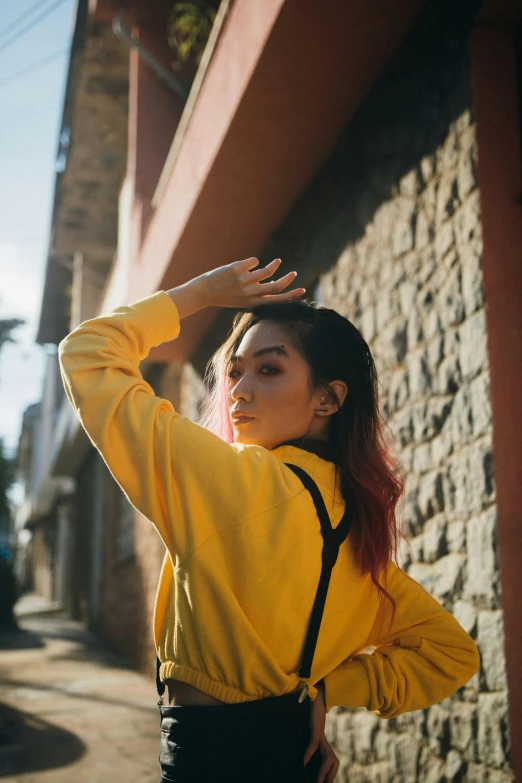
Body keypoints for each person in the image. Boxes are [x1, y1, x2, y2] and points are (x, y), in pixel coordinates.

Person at [58, 257, 480, 783]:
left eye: (269, 369)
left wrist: (196, 293)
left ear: (328, 398)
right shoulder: (356, 534)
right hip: (292, 759)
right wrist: (324, 691)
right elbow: (452, 654)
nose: (238, 389)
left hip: (207, 761)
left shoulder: (236, 484)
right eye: (234, 370)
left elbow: (87, 353)